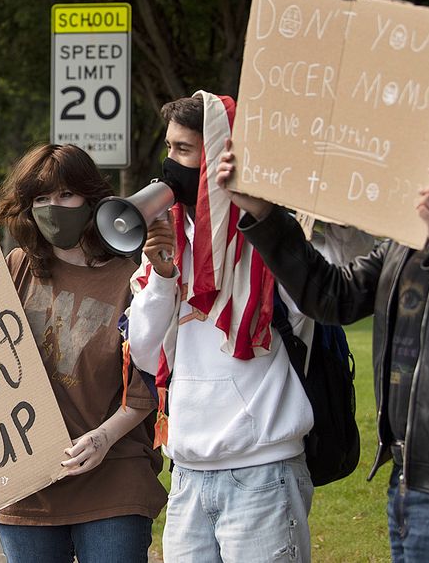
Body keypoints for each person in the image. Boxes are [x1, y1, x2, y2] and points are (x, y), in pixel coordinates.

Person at [218, 44, 429, 561]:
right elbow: (333, 297)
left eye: (412, 116)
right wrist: (265, 214)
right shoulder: (413, 231)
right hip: (409, 483)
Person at [0, 143, 167, 562]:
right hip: (27, 485)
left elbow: (149, 381)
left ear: (92, 198)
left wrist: (104, 437)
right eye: (41, 198)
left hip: (114, 476)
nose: (52, 208)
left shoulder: (133, 280)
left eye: (65, 195)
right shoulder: (11, 268)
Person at [126, 92, 315, 562]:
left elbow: (312, 306)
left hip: (261, 470)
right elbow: (147, 357)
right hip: (189, 474)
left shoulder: (270, 237)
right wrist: (165, 278)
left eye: (184, 151)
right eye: (167, 149)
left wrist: (263, 224)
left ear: (218, 157)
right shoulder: (166, 240)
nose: (171, 164)